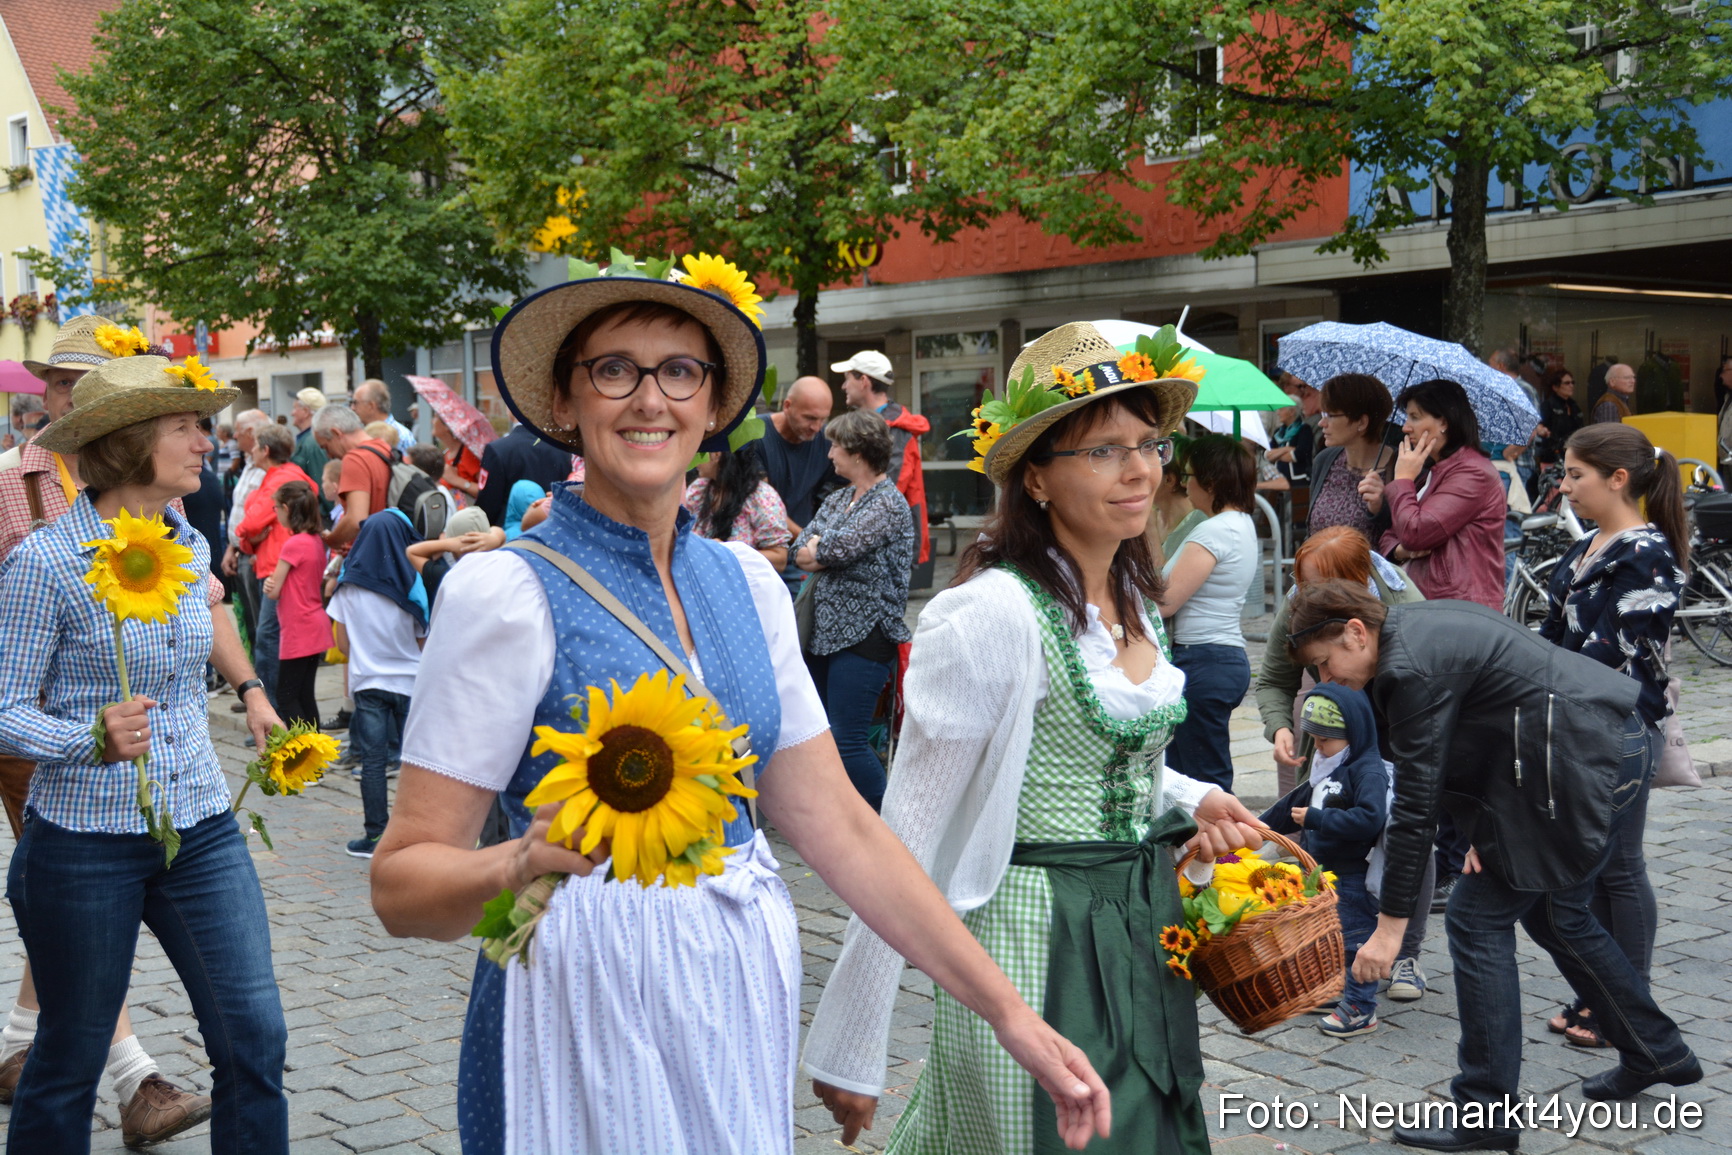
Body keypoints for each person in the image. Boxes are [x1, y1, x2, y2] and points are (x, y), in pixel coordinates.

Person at [370, 256, 1117, 1155]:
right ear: (566, 402)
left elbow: (844, 828)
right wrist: (517, 861)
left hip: (731, 996)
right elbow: (400, 883)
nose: (650, 399)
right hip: (570, 1002)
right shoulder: (503, 593)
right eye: (615, 368)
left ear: (713, 404)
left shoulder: (747, 582)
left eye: (679, 370)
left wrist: (1010, 1014)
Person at [804, 321, 1266, 1155]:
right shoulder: (993, 615)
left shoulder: (1135, 602)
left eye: (1149, 445)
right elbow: (903, 832)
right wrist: (853, 1044)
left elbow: (1087, 762)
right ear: (1038, 480)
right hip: (1029, 935)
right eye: (1103, 450)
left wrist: (1195, 794)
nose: (1138, 470)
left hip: (1141, 923)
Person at [1284, 581, 1702, 1151]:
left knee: (1476, 919)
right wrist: (1486, 828)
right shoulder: (1407, 641)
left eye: (1324, 665)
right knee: (1559, 918)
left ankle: (1487, 1113)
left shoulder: (1410, 668)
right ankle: (1657, 1049)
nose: (1328, 682)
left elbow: (1415, 808)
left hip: (1588, 759)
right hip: (1588, 751)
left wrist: (1389, 929)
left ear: (1356, 632)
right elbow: (1461, 753)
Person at [0, 355, 289, 1152]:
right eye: (186, 426)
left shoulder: (187, 547)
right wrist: (87, 737)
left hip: (199, 826)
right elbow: (4, 710)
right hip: (82, 845)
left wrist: (253, 693)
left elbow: (215, 626)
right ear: (131, 443)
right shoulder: (48, 561)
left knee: (254, 1039)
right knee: (70, 1054)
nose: (207, 440)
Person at [1536, 423, 1687, 1049]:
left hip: (1618, 732)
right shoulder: (1589, 546)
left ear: (1617, 479)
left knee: (1618, 870)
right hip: (1576, 726)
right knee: (1596, 872)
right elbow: (1547, 632)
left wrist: (1531, 677)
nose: (1565, 487)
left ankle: (1628, 1001)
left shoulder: (1646, 552)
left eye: (1576, 475)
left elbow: (1607, 652)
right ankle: (1603, 992)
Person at [791, 409, 914, 812]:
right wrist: (821, 550)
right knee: (825, 734)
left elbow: (830, 548)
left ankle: (891, 823)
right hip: (823, 634)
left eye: (835, 447)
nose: (829, 455)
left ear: (858, 454)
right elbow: (801, 550)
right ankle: (845, 818)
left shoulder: (888, 504)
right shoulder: (840, 498)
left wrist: (822, 550)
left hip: (866, 636)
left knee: (848, 740)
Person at [1261, 686, 1391, 1037]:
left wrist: (1318, 820)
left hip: (1350, 875)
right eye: (1313, 739)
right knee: (1327, 939)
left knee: (1355, 942)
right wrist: (1257, 827)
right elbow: (1293, 805)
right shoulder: (1328, 764)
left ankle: (1361, 1009)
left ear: (1352, 734)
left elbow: (1370, 817)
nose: (1317, 747)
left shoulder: (1366, 770)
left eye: (1324, 740)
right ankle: (1336, 992)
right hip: (1322, 872)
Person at [1155, 433, 1259, 792]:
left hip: (1203, 660)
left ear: (1211, 482)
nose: (1185, 484)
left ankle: (1226, 851)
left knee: (1204, 786)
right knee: (1191, 778)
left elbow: (1165, 601)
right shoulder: (1240, 524)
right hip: (1219, 658)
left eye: (1189, 476)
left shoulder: (1214, 531)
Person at [328, 509, 427, 859]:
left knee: (372, 763)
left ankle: (375, 836)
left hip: (368, 684)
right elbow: (423, 641)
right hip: (411, 686)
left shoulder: (348, 585)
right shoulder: (412, 582)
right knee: (417, 763)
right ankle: (418, 834)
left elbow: (342, 646)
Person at [1358, 378, 1505, 610]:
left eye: (1415, 417)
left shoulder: (1473, 473)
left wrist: (1403, 479)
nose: (1406, 427)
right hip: (1432, 602)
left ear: (1444, 422)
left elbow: (1415, 532)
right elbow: (1391, 533)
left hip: (1461, 608)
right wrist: (1400, 550)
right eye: (1407, 417)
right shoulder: (1433, 470)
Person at [232, 424, 316, 711]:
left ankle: (273, 710)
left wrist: (247, 532)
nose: (251, 451)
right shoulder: (283, 475)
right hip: (270, 563)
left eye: (255, 446)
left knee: (268, 640)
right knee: (269, 637)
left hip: (276, 567)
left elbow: (251, 522)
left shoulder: (282, 478)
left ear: (266, 450)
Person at [835, 350, 931, 573]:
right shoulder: (874, 424)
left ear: (864, 381)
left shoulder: (896, 429)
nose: (843, 386)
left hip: (889, 543)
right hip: (871, 536)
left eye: (848, 378)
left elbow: (888, 491)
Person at [759, 375, 843, 591]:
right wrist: (812, 538)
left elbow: (853, 483)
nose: (816, 427)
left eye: (823, 419)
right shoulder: (757, 435)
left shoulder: (823, 440)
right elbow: (765, 509)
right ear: (787, 406)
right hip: (763, 553)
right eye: (810, 418)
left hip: (801, 556)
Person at [263, 480, 333, 730]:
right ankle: (315, 761)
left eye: (275, 509)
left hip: (299, 627)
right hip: (313, 623)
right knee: (304, 694)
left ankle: (302, 754)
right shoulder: (315, 539)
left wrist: (268, 584)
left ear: (285, 508)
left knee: (286, 696)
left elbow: (274, 589)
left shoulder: (293, 544)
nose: (276, 514)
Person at [1306, 373, 1393, 542]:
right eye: (1323, 414)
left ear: (1361, 422)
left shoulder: (1400, 468)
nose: (1321, 423)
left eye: (1330, 415)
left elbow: (1403, 537)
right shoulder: (1325, 460)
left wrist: (1380, 508)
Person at [684, 440, 792, 571]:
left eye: (700, 451)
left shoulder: (761, 497)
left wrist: (727, 553)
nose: (694, 458)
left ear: (716, 454)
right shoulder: (698, 490)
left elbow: (780, 559)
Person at [220, 409, 272, 644]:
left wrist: (247, 548)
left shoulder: (266, 467)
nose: (235, 438)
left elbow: (267, 517)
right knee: (251, 624)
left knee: (261, 626)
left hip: (255, 556)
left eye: (238, 433)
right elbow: (240, 511)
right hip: (242, 551)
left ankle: (264, 677)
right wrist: (232, 548)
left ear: (251, 432)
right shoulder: (251, 463)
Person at [312, 404, 393, 551]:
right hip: (389, 545)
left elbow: (356, 519)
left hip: (376, 553)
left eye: (326, 447)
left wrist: (331, 540)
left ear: (336, 433)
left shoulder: (354, 458)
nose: (329, 456)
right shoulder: (383, 448)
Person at [475, 418, 573, 529]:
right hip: (551, 531)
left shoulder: (497, 449)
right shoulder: (563, 449)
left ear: (510, 411)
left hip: (505, 536)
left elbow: (487, 505)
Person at [1533, 364, 1584, 469]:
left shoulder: (1574, 406)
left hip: (1572, 455)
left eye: (1572, 383)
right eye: (1567, 383)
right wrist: (1542, 430)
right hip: (1552, 456)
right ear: (1555, 387)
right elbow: (1538, 425)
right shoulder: (1548, 406)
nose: (1571, 386)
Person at [434, 414, 484, 507]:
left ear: (447, 426)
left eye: (435, 417)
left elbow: (486, 490)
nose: (431, 421)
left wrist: (456, 480)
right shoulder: (447, 453)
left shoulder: (468, 453)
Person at [352, 378, 416, 450]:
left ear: (371, 406)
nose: (352, 408)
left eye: (355, 403)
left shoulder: (401, 436)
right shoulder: (360, 432)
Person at [289, 385, 330, 491]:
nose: (292, 413)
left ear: (306, 412)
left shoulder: (313, 442)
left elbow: (321, 487)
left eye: (295, 408)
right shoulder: (307, 439)